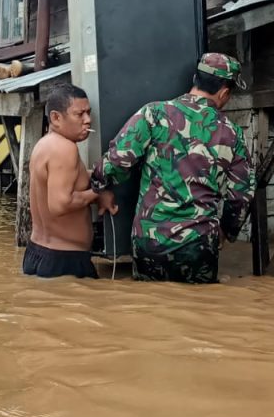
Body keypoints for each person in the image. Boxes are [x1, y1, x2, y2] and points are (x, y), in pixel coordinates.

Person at [90, 53, 256, 284]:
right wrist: (226, 232)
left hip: (150, 241)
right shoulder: (232, 134)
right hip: (199, 245)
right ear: (224, 93)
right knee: (199, 312)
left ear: (195, 78)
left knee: (150, 310)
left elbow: (118, 160)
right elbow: (241, 196)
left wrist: (100, 186)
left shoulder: (154, 114)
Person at [25, 84, 103, 279]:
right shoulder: (65, 148)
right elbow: (61, 204)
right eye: (80, 114)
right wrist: (100, 191)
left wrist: (97, 178)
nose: (88, 120)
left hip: (37, 253)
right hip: (64, 260)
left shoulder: (44, 144)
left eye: (89, 113)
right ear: (56, 118)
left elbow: (70, 181)